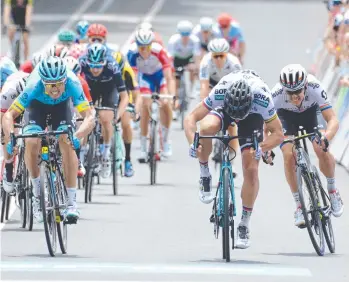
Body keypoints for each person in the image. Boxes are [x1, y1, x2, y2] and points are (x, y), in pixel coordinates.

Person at [184, 69, 284, 248]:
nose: (236, 120)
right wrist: (193, 142)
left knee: (251, 169)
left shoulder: (262, 97)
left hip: (251, 116)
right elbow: (190, 118)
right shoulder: (221, 91)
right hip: (225, 109)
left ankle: (244, 224)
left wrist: (263, 147)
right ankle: (205, 173)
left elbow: (278, 133)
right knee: (206, 129)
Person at [2, 56, 95, 222]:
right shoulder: (33, 86)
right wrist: (10, 139)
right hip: (37, 107)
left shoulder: (73, 83)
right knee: (31, 141)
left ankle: (72, 202)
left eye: (59, 83)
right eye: (50, 84)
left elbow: (89, 116)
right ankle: (37, 194)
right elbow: (9, 115)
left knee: (66, 141)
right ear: (42, 81)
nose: (55, 88)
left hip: (62, 107)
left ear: (65, 80)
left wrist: (78, 136)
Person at [271, 64, 344, 226]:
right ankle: (298, 205)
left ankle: (332, 190)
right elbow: (265, 128)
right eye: (290, 93)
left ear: (305, 86)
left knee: (320, 147)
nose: (295, 96)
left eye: (298, 91)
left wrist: (327, 136)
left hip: (311, 113)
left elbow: (332, 119)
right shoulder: (275, 95)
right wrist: (266, 149)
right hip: (286, 117)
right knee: (289, 155)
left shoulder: (315, 87)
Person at [79, 43, 129, 178]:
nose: (95, 70)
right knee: (84, 117)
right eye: (92, 66)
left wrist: (117, 115)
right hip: (90, 87)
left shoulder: (112, 66)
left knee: (106, 117)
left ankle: (106, 154)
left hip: (108, 88)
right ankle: (82, 152)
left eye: (99, 66)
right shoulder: (81, 63)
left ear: (105, 62)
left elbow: (124, 97)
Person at [127, 28, 175, 160]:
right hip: (145, 78)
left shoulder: (159, 51)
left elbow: (169, 77)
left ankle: (165, 141)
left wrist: (172, 96)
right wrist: (133, 100)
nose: (144, 50)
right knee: (145, 105)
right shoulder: (132, 53)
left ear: (150, 45)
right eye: (141, 47)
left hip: (160, 77)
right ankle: (143, 147)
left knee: (165, 103)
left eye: (146, 47)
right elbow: (133, 80)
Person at [199, 38, 242, 180]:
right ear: (211, 55)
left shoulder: (234, 63)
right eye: (215, 56)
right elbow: (204, 88)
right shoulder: (205, 63)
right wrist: (205, 108)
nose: (218, 59)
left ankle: (232, 160)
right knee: (208, 123)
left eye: (221, 56)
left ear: (226, 54)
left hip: (230, 88)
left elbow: (239, 88)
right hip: (213, 87)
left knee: (232, 126)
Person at [64, 55, 92, 177]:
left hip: (76, 105)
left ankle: (79, 158)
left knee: (80, 122)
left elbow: (88, 108)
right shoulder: (57, 81)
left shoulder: (81, 83)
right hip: (62, 104)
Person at [1, 71, 29, 192]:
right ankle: (8, 166)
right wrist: (7, 138)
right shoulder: (7, 93)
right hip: (9, 108)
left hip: (31, 107)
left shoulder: (36, 90)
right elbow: (3, 120)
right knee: (6, 135)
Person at [168, 20, 201, 119]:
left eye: (187, 35)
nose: (185, 37)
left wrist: (196, 67)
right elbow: (170, 58)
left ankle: (191, 89)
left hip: (189, 59)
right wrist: (172, 69)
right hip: (177, 60)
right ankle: (175, 108)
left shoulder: (195, 40)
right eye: (183, 35)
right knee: (176, 82)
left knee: (192, 69)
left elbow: (197, 57)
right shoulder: (173, 40)